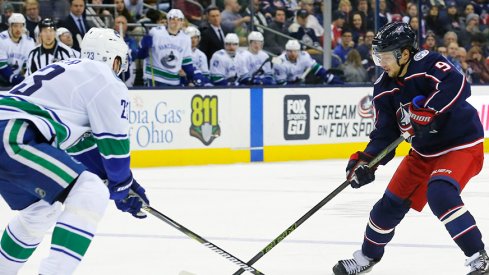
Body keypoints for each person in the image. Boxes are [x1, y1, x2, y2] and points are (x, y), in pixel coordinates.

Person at [333, 22, 488, 275]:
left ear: (404, 54)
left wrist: (430, 109)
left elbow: (458, 84)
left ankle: (478, 257)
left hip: (460, 144)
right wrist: (366, 161)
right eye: (377, 56)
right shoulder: (383, 88)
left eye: (384, 56)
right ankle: (366, 258)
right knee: (387, 207)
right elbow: (385, 133)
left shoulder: (428, 63)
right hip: (423, 153)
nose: (380, 62)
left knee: (440, 192)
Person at [0, 27, 149, 275]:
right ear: (114, 58)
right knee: (91, 192)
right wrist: (120, 185)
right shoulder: (105, 78)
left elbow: (83, 151)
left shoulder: (73, 72)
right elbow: (114, 148)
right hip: (12, 134)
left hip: (10, 134)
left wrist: (124, 182)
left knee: (39, 211)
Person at [137, 9, 209, 87]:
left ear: (182, 22)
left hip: (174, 80)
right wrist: (145, 47)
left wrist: (191, 77)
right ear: (168, 20)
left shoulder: (185, 38)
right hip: (155, 77)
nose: (175, 22)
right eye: (172, 19)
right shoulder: (155, 32)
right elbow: (140, 55)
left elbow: (186, 63)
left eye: (179, 19)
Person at [274, 39, 342, 85]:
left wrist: (328, 76)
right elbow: (281, 84)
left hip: (301, 83)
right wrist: (293, 85)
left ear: (299, 51)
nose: (293, 53)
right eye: (290, 51)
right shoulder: (279, 62)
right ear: (286, 51)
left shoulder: (304, 56)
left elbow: (317, 68)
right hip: (286, 86)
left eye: (295, 51)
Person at [0, 13, 36, 87]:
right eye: (15, 26)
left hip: (18, 80)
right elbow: (2, 65)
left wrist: (26, 78)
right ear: (10, 26)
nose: (18, 29)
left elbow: (28, 65)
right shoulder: (1, 39)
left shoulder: (29, 41)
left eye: (21, 26)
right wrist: (15, 79)